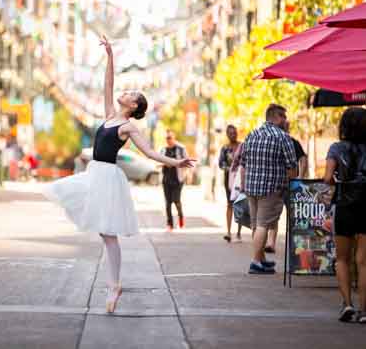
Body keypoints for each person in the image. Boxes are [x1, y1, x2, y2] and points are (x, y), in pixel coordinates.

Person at [43, 36, 195, 314]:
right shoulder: (110, 113)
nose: (125, 93)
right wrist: (110, 56)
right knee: (100, 228)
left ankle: (114, 286)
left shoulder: (127, 127)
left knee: (108, 233)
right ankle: (115, 285)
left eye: (132, 95)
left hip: (107, 178)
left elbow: (150, 153)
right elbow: (108, 84)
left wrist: (176, 163)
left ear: (134, 106)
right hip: (94, 174)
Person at [240, 104, 297, 274]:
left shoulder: (251, 134)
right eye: (284, 117)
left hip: (251, 187)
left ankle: (262, 260)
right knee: (264, 225)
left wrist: (243, 185)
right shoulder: (282, 137)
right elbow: (292, 166)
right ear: (277, 117)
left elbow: (243, 162)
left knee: (257, 225)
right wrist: (290, 184)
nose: (285, 121)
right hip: (271, 188)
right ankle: (255, 261)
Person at [323, 107, 366, 323]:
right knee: (364, 261)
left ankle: (347, 305)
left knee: (342, 258)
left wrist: (340, 179)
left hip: (345, 205)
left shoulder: (336, 148)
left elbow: (328, 178)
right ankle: (364, 311)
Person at [265, 120, 308, 253]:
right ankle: (275, 243)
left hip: (281, 184)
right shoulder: (289, 141)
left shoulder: (281, 141)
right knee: (288, 215)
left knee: (277, 215)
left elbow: (303, 159)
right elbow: (303, 159)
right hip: (286, 184)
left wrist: (300, 176)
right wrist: (300, 177)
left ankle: (274, 242)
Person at [218, 125, 241, 242]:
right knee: (230, 204)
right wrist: (230, 168)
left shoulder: (242, 146)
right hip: (229, 180)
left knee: (240, 204)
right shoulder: (225, 148)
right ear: (227, 135)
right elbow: (220, 163)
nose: (233, 135)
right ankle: (228, 232)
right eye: (231, 133)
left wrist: (239, 169)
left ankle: (238, 232)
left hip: (241, 179)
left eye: (235, 132)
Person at [161, 130, 188, 232]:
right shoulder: (163, 150)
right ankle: (170, 224)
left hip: (178, 179)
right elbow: (158, 161)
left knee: (176, 200)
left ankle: (181, 216)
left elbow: (187, 162)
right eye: (166, 138)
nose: (168, 140)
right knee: (168, 203)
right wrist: (164, 164)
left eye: (170, 138)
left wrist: (176, 164)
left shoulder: (180, 149)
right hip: (166, 179)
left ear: (174, 138)